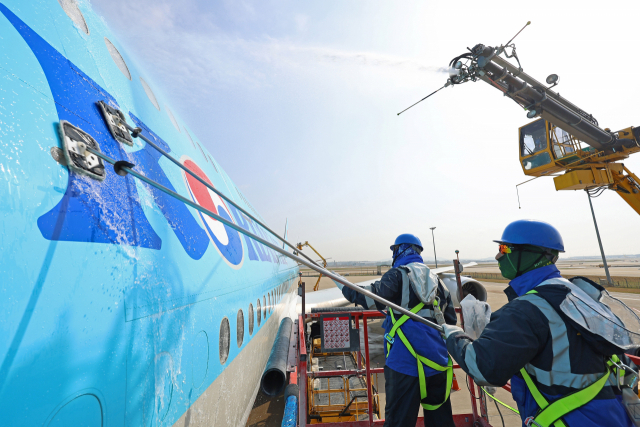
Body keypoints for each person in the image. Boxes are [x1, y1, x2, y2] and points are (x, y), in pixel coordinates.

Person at [443, 219, 638, 427]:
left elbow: (483, 367)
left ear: (527, 254)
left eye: (504, 248)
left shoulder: (525, 310)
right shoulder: (582, 296)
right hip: (613, 415)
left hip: (568, 420)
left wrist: (453, 335)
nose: (498, 256)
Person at [339, 234, 457, 427]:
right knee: (440, 421)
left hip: (404, 366)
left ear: (400, 250)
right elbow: (451, 321)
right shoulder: (438, 282)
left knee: (398, 422)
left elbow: (370, 298)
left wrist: (344, 287)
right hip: (437, 365)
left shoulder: (397, 275)